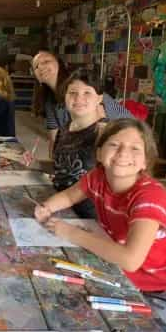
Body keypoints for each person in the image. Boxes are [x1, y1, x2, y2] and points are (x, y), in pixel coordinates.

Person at [34, 118, 166, 332]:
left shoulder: (149, 196)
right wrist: (47, 207)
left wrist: (71, 233)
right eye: (114, 145)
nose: (123, 153)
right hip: (137, 281)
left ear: (145, 162)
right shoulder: (98, 177)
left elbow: (130, 259)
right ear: (99, 153)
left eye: (135, 148)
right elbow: (70, 195)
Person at [24, 50, 132, 162]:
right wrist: (39, 164)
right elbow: (55, 142)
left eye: (46, 61)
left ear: (59, 64)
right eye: (36, 66)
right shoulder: (49, 101)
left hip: (123, 145)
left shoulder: (84, 90)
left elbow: (98, 139)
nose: (41, 67)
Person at [52, 68, 106, 219]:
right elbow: (61, 169)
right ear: (65, 96)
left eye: (87, 93)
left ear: (99, 98)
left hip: (91, 217)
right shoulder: (63, 129)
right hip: (59, 207)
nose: (78, 99)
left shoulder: (104, 135)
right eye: (72, 93)